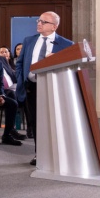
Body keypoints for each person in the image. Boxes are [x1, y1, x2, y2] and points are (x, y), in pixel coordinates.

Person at [15, 12, 73, 166]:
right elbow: (20, 63)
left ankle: (59, 154)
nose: (39, 23)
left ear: (54, 26)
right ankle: (39, 153)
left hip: (54, 88)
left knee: (55, 122)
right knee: (35, 122)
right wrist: (22, 78)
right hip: (31, 87)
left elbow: (70, 67)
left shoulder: (67, 45)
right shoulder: (29, 41)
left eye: (44, 22)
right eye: (38, 20)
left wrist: (55, 60)